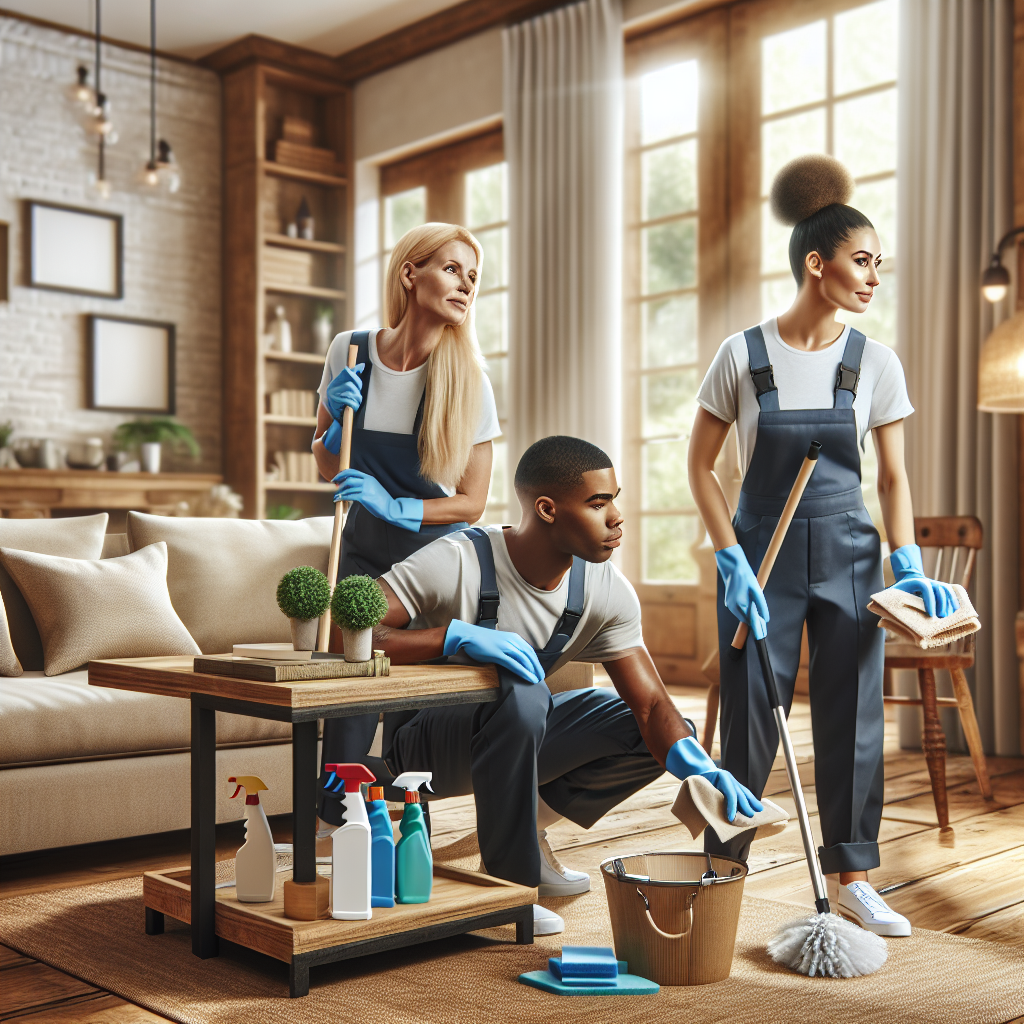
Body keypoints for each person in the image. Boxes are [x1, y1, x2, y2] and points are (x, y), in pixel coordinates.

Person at [687, 155, 959, 938]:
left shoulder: (874, 361)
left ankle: (852, 878)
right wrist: (727, 556)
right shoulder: (743, 355)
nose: (875, 277)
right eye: (863, 260)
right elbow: (699, 466)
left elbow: (895, 479)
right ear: (818, 261)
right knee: (747, 718)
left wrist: (906, 561)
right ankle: (721, 870)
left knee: (853, 714)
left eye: (880, 265)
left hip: (850, 554)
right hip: (758, 560)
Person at [369, 435, 762, 935]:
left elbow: (649, 705)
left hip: (518, 732)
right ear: (548, 508)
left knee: (662, 729)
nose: (617, 517)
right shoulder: (458, 559)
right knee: (526, 693)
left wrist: (701, 767)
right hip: (422, 748)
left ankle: (524, 830)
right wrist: (449, 637)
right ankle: (510, 888)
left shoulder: (604, 588)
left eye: (614, 499)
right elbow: (352, 630)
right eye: (598, 503)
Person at [311, 223, 500, 831]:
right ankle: (343, 832)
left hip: (432, 568)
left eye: (473, 277)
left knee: (407, 723)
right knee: (347, 703)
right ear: (409, 273)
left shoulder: (468, 379)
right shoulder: (349, 350)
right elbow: (323, 460)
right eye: (451, 269)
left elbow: (471, 504)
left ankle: (400, 837)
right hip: (364, 556)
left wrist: (394, 506)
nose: (465, 285)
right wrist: (337, 429)